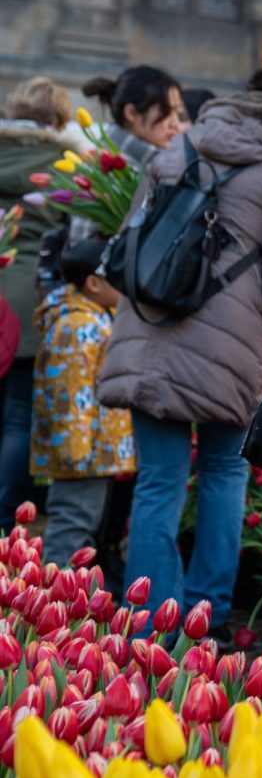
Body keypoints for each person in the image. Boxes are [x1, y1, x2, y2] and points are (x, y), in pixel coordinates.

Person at [99, 70, 262, 629]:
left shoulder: (177, 149)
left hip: (151, 331)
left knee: (159, 480)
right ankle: (207, 613)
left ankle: (145, 618)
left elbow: (128, 241)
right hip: (232, 346)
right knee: (224, 472)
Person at [0, 77, 87, 528]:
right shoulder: (67, 166)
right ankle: (5, 521)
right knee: (19, 417)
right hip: (31, 304)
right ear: (57, 120)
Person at [32, 236, 134, 566]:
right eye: (118, 277)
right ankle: (49, 597)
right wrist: (77, 452)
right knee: (73, 523)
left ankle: (65, 595)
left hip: (95, 451)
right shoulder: (79, 325)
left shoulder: (94, 316)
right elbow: (71, 394)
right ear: (93, 283)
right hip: (83, 454)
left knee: (85, 525)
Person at [83, 67, 185, 166]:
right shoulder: (106, 171)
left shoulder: (166, 164)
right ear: (131, 113)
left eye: (178, 114)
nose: (175, 125)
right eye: (165, 112)